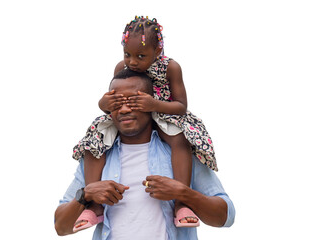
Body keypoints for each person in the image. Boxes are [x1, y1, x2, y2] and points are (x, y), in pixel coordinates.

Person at [72, 16, 218, 231]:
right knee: (97, 136)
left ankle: (182, 204)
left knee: (180, 141)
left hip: (164, 113)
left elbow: (181, 106)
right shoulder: (121, 67)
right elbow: (115, 100)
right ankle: (93, 206)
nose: (132, 62)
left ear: (158, 51)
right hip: (135, 115)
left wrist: (154, 104)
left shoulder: (170, 67)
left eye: (141, 56)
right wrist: (103, 103)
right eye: (127, 54)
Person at [54, 69, 235, 239]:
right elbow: (60, 226)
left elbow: (226, 216)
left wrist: (184, 193)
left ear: (151, 104)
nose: (124, 109)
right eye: (117, 103)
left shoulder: (180, 154)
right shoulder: (97, 155)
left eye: (133, 101)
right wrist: (85, 195)